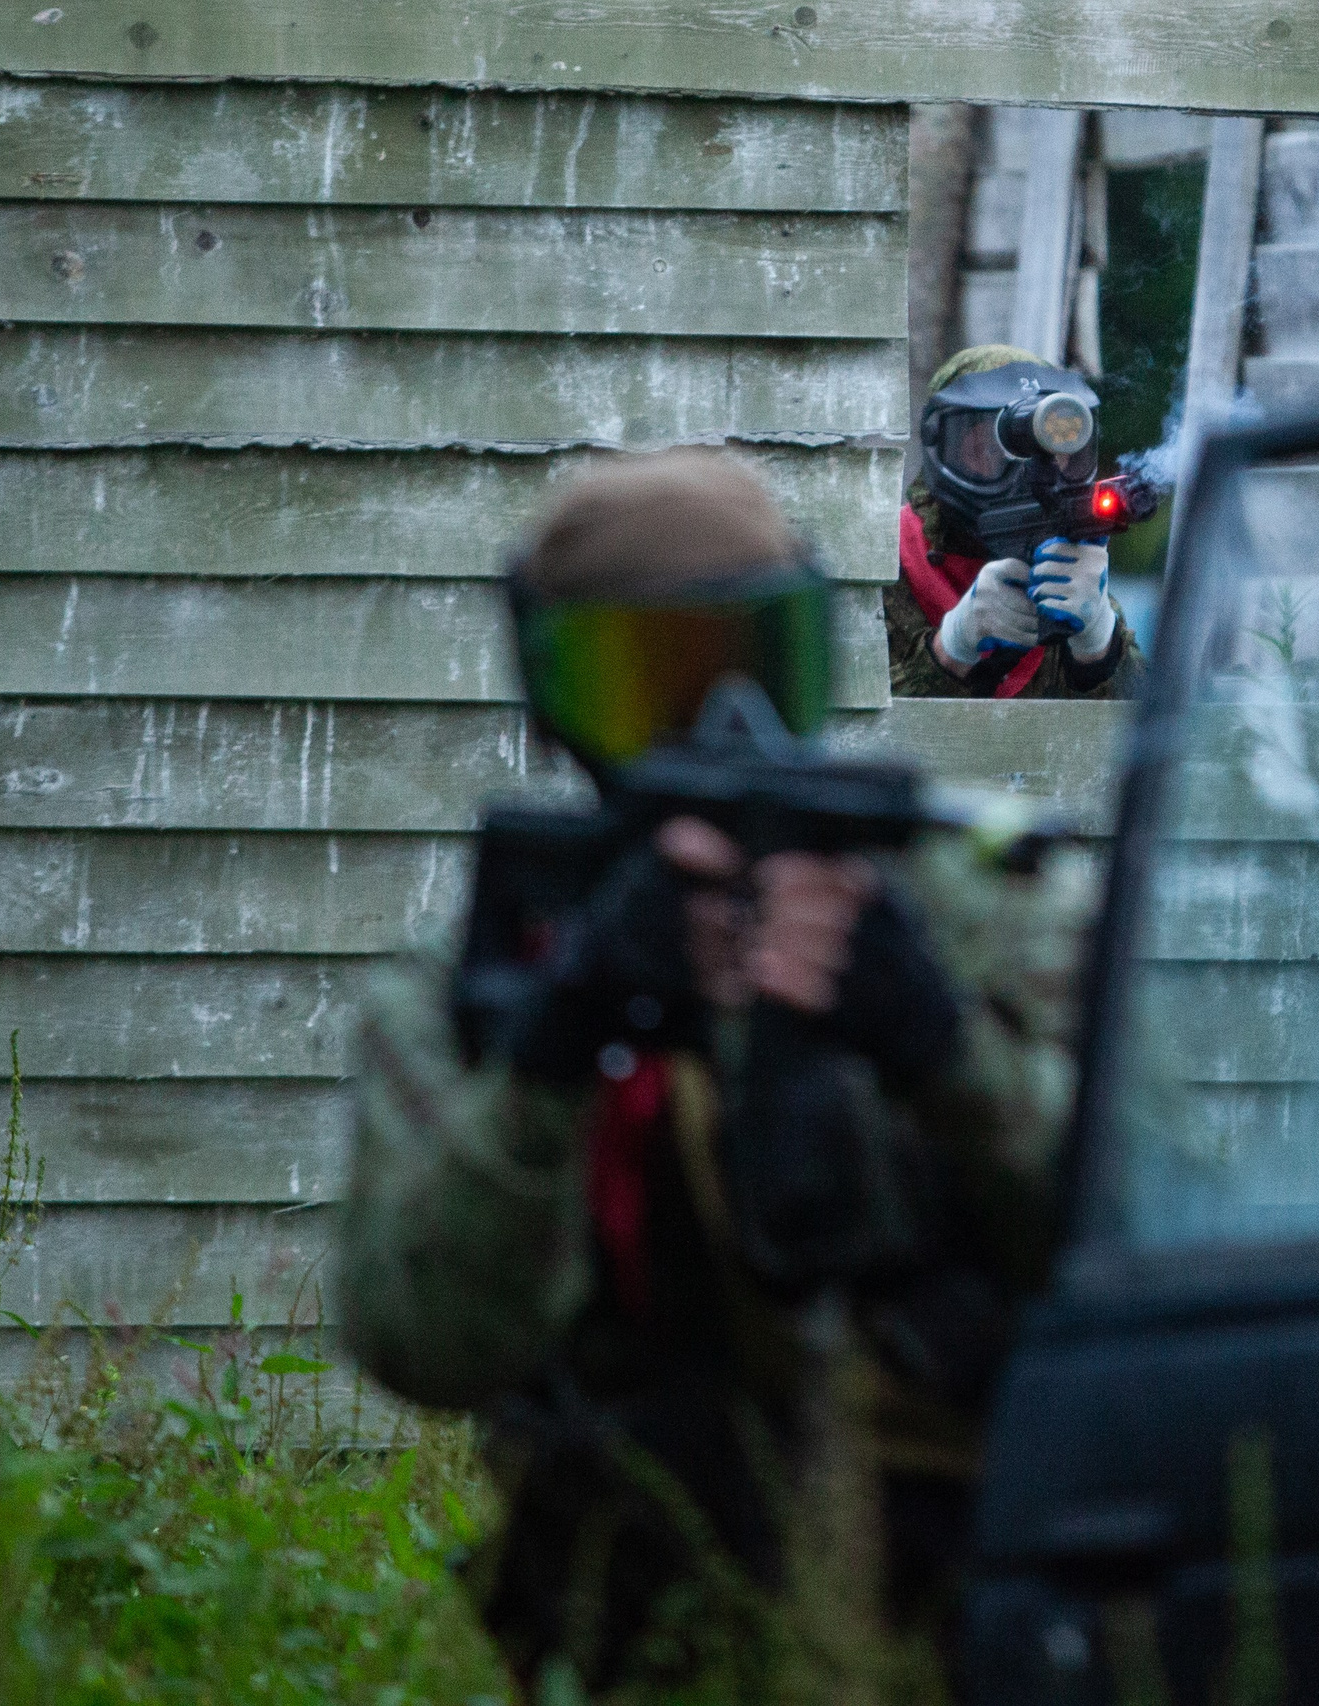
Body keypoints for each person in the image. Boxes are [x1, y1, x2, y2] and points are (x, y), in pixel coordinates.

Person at [336, 448, 1092, 1698]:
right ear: (554, 701)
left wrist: (943, 1049)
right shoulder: (495, 973)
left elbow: (1143, 1244)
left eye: (755, 664)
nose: (722, 731)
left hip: (987, 1627)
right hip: (643, 1636)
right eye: (657, 682)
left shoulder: (980, 914)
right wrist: (557, 1051)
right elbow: (426, 1341)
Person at [888, 344, 1147, 700]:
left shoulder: (1069, 566)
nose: (1025, 479)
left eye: (1057, 453)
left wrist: (1099, 646)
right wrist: (952, 649)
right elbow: (843, 731)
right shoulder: (884, 563)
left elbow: (1145, 735)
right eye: (987, 452)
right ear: (941, 447)